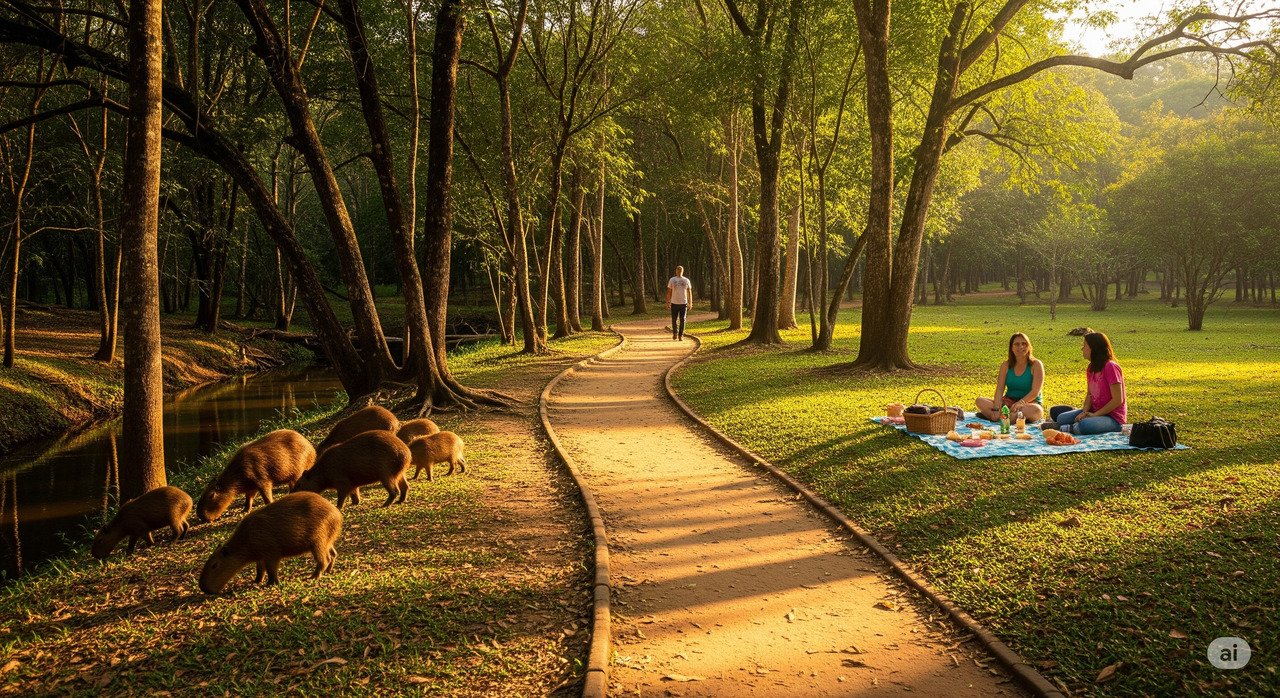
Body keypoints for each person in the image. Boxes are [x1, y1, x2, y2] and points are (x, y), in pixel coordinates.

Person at [1041, 332, 1126, 435]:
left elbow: (1118, 400)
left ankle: (1067, 428)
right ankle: (1067, 426)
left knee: (1085, 425)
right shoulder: (1091, 368)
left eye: (1085, 345)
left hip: (1113, 417)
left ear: (1094, 348)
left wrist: (1095, 415)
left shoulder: (1110, 367)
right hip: (1094, 412)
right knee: (1061, 418)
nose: (1082, 349)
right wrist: (1084, 412)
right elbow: (1089, 395)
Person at [975, 332, 1045, 423]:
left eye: (1024, 344)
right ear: (1011, 348)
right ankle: (1006, 417)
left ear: (1029, 347)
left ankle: (1001, 418)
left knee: (1037, 410)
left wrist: (1020, 403)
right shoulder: (1006, 365)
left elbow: (1035, 391)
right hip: (1008, 403)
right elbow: (1000, 389)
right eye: (1017, 344)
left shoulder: (1036, 365)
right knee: (980, 401)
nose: (1021, 347)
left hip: (1028, 403)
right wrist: (996, 408)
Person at [666, 265, 693, 341]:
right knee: (674, 319)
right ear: (676, 271)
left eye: (680, 270)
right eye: (678, 270)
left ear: (682, 271)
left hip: (683, 303)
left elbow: (689, 292)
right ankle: (675, 333)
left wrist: (690, 302)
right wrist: (668, 302)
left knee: (682, 320)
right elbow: (669, 291)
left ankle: (681, 335)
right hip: (674, 302)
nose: (679, 271)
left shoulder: (686, 280)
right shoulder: (672, 280)